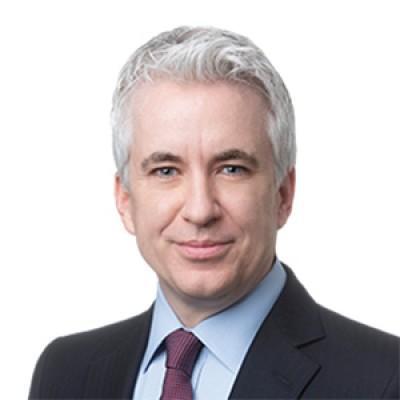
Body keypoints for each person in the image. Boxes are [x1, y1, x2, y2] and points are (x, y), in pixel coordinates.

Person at [29, 26, 399, 399]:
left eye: (231, 169)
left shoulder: (383, 380)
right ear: (125, 199)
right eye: (166, 171)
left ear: (283, 194)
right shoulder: (65, 373)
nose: (200, 210)